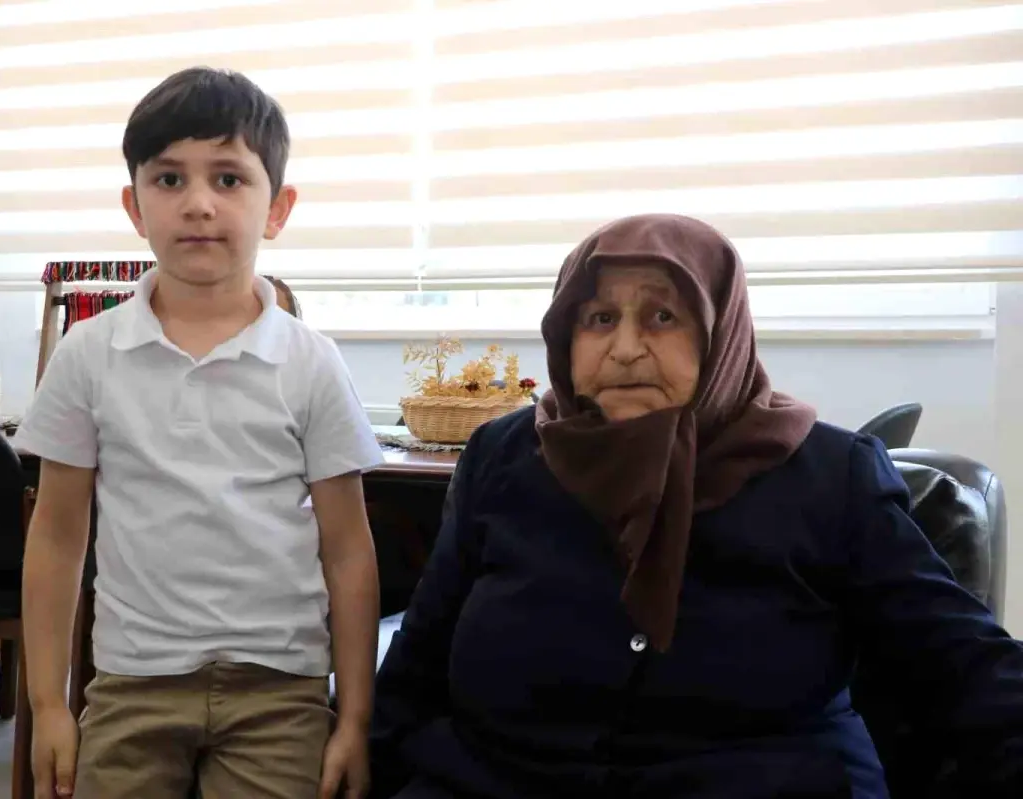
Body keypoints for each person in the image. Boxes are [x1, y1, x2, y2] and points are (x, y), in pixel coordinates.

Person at [368, 214, 1023, 798]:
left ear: (720, 332)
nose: (626, 348)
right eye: (600, 319)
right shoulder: (503, 457)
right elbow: (417, 661)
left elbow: (960, 659)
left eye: (662, 317)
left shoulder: (829, 476)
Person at [15, 67, 384, 799]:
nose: (199, 203)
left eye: (229, 178)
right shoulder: (88, 354)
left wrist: (355, 718)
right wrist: (49, 704)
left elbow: (348, 551)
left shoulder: (311, 361)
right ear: (135, 205)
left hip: (279, 688)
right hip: (132, 682)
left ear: (277, 208)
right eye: (169, 179)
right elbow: (56, 537)